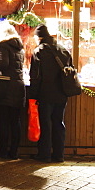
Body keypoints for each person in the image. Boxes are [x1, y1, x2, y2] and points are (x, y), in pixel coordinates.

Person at [28, 24, 72, 163]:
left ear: (38, 37)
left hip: (45, 94)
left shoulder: (39, 52)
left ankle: (44, 154)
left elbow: (35, 76)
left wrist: (33, 95)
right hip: (61, 94)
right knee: (59, 123)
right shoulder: (63, 50)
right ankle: (59, 155)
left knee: (45, 124)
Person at [0, 19, 25, 160]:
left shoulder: (3, 46)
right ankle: (14, 152)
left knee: (4, 121)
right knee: (15, 121)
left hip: (5, 87)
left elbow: (3, 65)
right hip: (19, 86)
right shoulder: (20, 47)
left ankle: (3, 150)